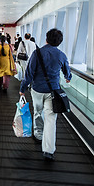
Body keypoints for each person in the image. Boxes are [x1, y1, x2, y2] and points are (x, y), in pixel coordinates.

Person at [19, 29, 72, 161]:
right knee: (51, 119)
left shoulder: (37, 53)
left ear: (46, 39)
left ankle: (38, 135)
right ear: (59, 42)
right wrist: (68, 77)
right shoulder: (61, 55)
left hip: (37, 90)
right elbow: (67, 72)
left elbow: (29, 74)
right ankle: (48, 150)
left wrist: (22, 88)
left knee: (37, 112)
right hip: (53, 92)